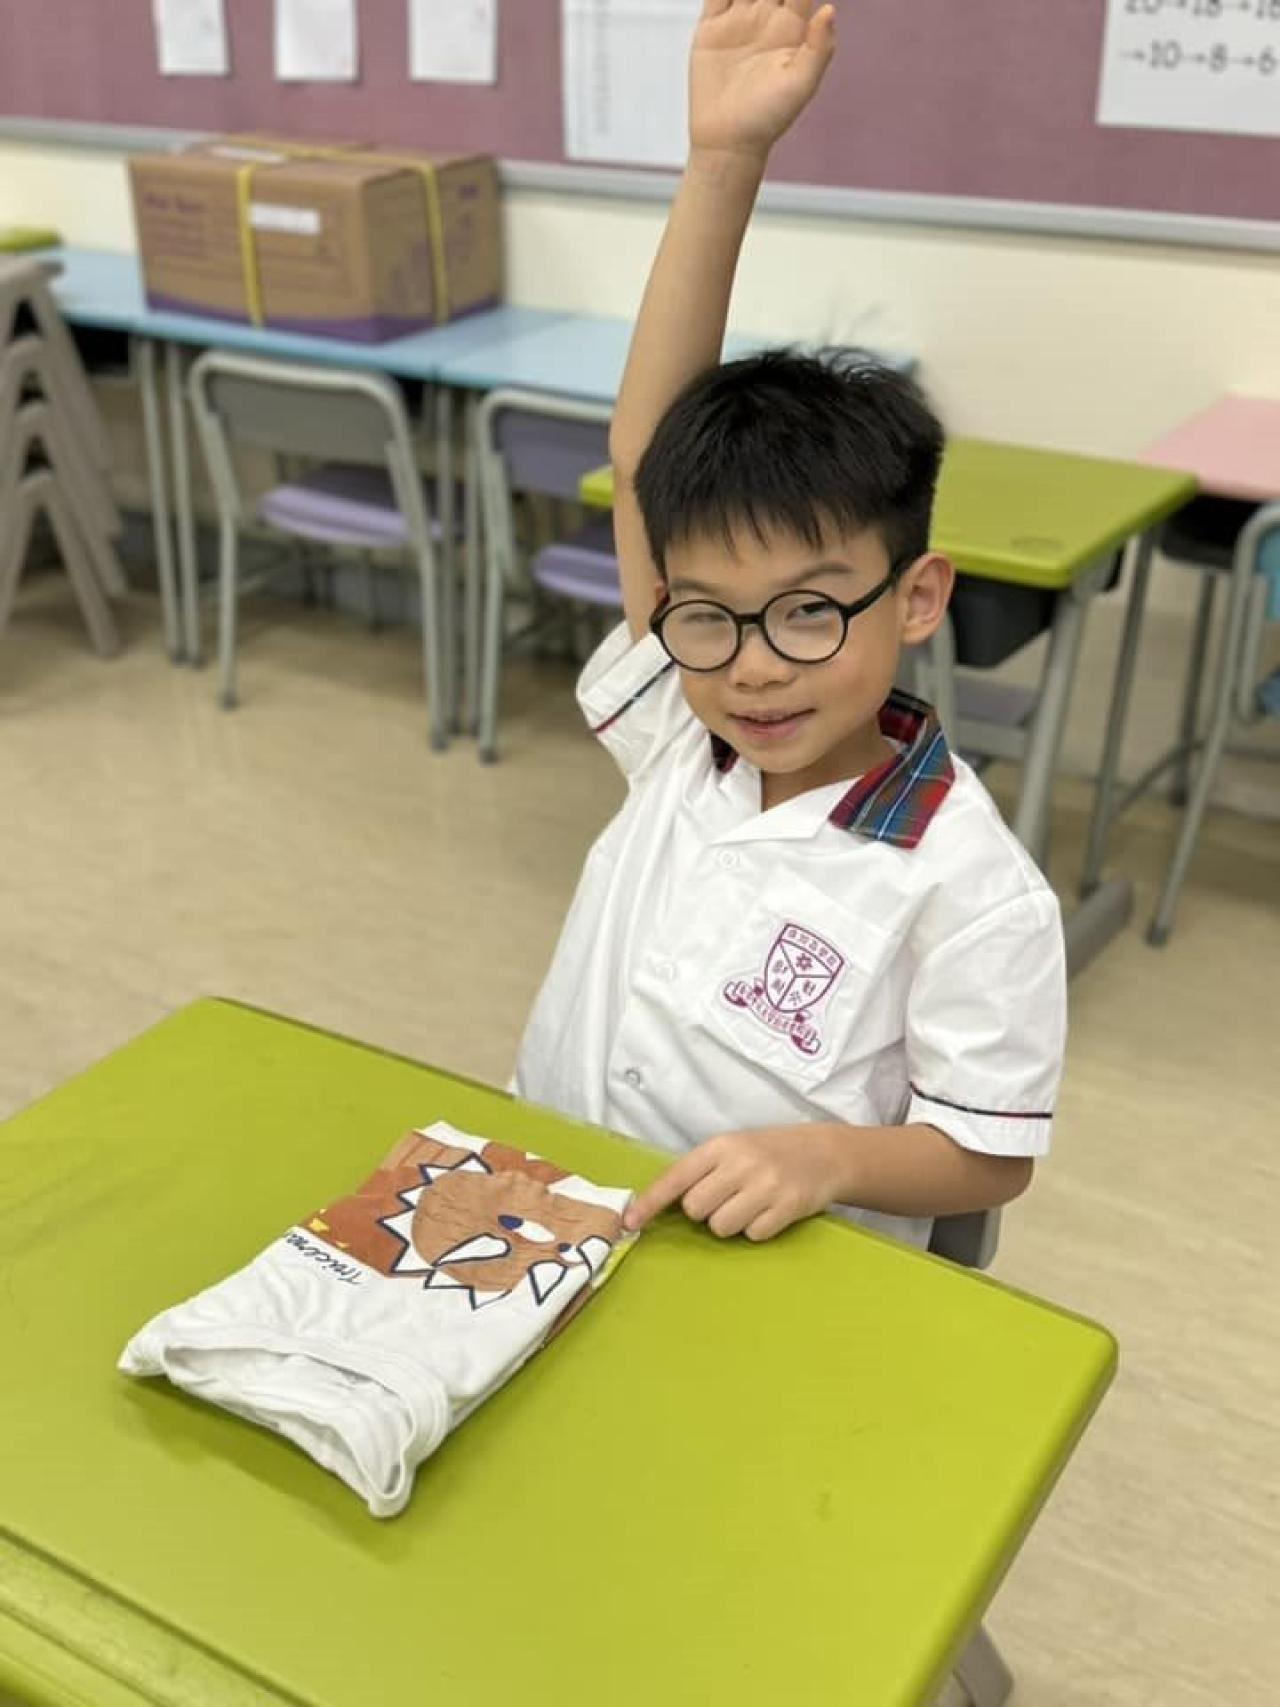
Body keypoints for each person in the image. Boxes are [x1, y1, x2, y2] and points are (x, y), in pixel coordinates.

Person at [513, 0, 1066, 1251]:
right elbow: (644, 458)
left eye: (810, 611)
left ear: (915, 596)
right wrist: (721, 157)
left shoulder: (968, 883)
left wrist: (828, 1158)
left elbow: (987, 1153)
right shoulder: (682, 727)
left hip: (768, 1280)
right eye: (707, 615)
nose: (753, 668)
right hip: (561, 1216)